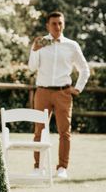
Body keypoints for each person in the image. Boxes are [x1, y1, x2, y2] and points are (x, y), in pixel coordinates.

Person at [28, 11, 90, 179]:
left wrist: (78, 88)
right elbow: (32, 68)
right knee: (39, 131)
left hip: (63, 93)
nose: (57, 26)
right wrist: (34, 50)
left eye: (60, 23)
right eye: (54, 23)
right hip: (42, 92)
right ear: (47, 26)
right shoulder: (40, 43)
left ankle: (62, 167)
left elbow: (84, 69)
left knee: (65, 132)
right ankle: (38, 166)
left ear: (64, 24)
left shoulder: (72, 46)